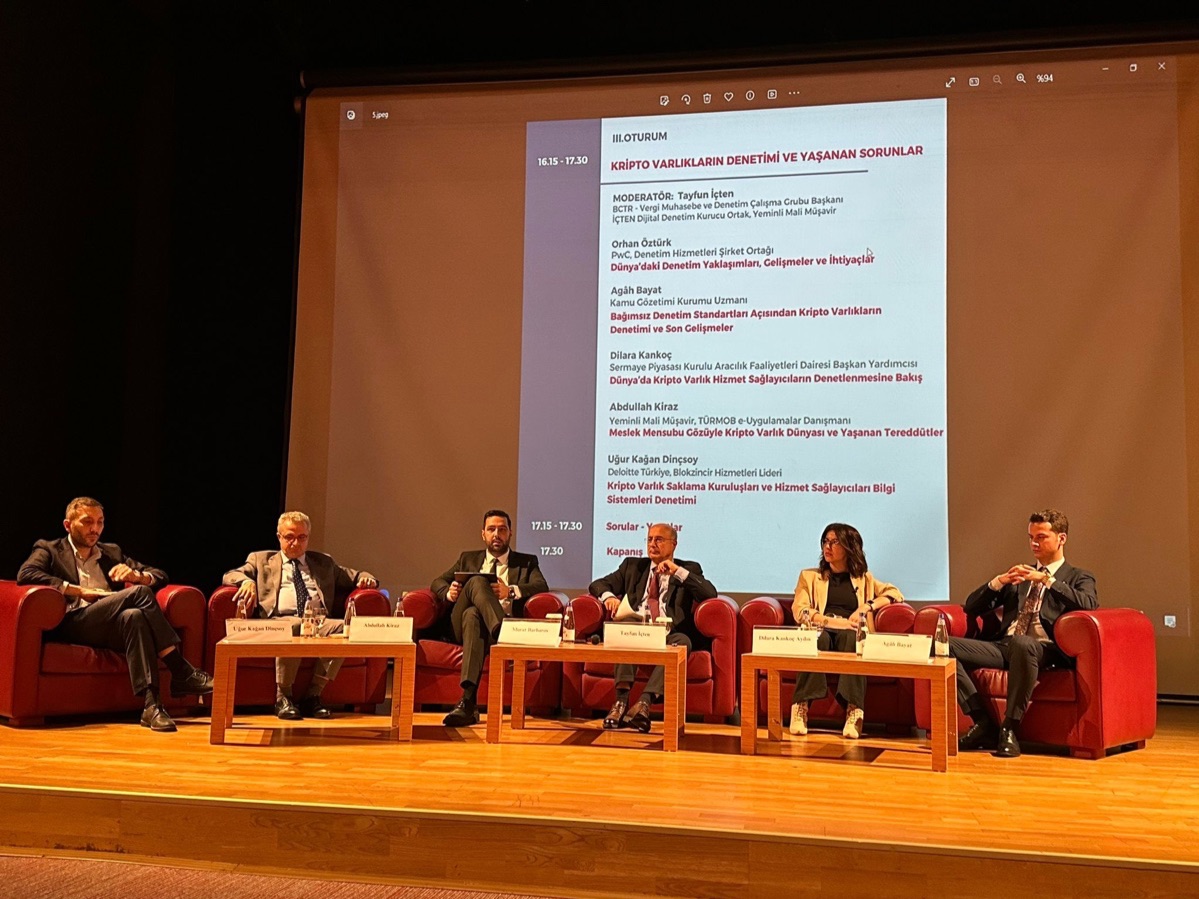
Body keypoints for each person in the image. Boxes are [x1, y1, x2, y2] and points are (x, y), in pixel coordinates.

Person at [17, 496, 215, 732]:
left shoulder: (111, 552)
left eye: (100, 522)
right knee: (139, 594)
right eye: (87, 522)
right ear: (68, 525)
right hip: (74, 622)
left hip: (108, 624)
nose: (95, 529)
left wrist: (136, 576)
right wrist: (77, 590)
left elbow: (159, 575)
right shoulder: (49, 549)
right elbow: (26, 573)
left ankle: (152, 706)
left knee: (134, 617)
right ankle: (179, 668)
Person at [951, 509, 1098, 758]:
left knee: (1023, 643)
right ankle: (982, 722)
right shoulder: (1021, 576)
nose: (1034, 544)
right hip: (1006, 646)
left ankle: (1009, 727)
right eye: (1031, 537)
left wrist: (1046, 580)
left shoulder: (1078, 576)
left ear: (1061, 539)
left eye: (1041, 537)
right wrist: (999, 581)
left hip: (1045, 649)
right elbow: (972, 607)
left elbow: (1088, 604)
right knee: (942, 646)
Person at [222, 511, 378, 721]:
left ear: (308, 538)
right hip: (280, 621)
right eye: (289, 537)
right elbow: (230, 574)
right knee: (294, 626)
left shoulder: (323, 562)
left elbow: (355, 575)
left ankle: (313, 695)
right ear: (279, 537)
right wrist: (246, 581)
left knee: (347, 629)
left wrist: (367, 579)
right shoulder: (260, 559)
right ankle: (283, 697)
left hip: (318, 621)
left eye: (301, 537)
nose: (295, 543)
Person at [589, 523, 717, 733]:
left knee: (683, 642)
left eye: (659, 540)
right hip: (636, 630)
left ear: (673, 544)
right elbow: (598, 584)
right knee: (625, 628)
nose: (652, 544)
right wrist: (609, 597)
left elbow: (710, 594)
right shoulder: (633, 566)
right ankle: (621, 703)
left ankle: (644, 703)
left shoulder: (689, 569)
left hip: (668, 633)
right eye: (649, 539)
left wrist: (677, 572)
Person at [431, 510, 549, 727]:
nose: (496, 534)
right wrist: (449, 592)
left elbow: (541, 586)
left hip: (478, 628)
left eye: (502, 530)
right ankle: (502, 632)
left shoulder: (526, 562)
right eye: (491, 529)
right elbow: (437, 582)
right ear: (483, 534)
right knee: (477, 581)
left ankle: (467, 702)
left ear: (510, 533)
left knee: (472, 615)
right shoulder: (468, 559)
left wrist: (510, 591)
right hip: (462, 629)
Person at [788, 523, 904, 739]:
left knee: (852, 638)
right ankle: (801, 706)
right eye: (825, 541)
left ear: (850, 547)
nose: (827, 546)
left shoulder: (864, 579)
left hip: (849, 631)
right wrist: (831, 622)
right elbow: (800, 610)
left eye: (834, 542)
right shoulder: (809, 577)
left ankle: (854, 710)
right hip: (822, 627)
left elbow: (894, 592)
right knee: (817, 639)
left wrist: (866, 606)